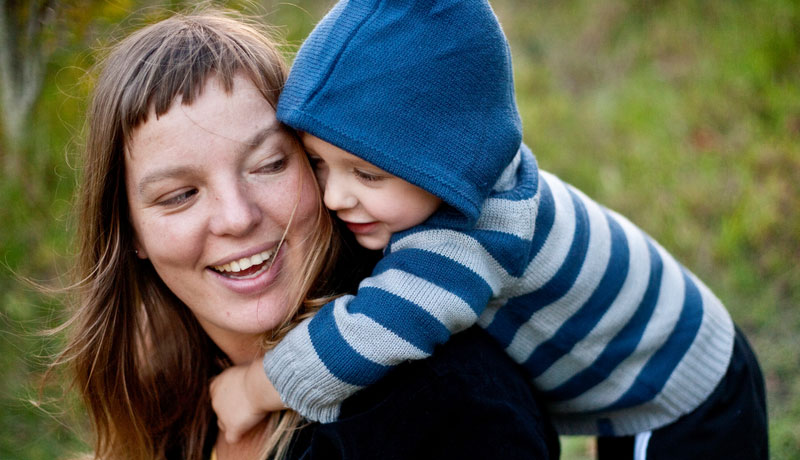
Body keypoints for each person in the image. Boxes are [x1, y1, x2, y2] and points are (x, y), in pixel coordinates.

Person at [210, 0, 769, 458]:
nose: (335, 196)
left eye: (368, 173)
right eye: (319, 164)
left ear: (444, 157)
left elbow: (372, 332)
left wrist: (255, 387)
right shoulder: (469, 169)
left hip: (683, 392)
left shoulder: (474, 235)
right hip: (667, 352)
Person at [52, 9, 559, 460]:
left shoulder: (444, 405)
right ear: (131, 233)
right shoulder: (164, 391)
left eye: (270, 164)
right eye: (179, 195)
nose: (236, 217)